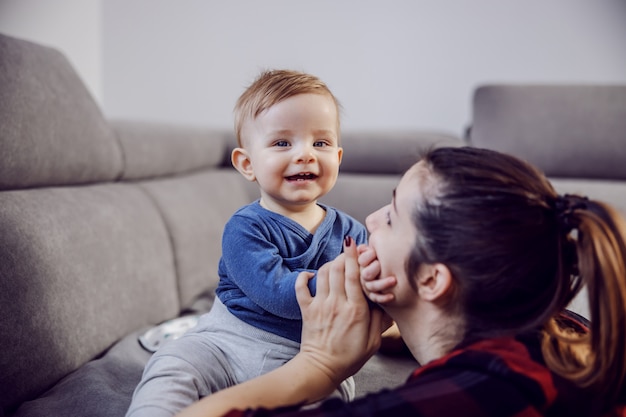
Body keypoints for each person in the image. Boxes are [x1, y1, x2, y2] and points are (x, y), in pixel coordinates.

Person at [176, 146, 626, 417]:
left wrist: (317, 365)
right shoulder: (565, 332)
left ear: (432, 279)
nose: (369, 221)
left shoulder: (464, 399)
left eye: (391, 217)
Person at [126, 70, 368, 417]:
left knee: (329, 398)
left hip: (309, 356)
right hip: (228, 342)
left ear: (338, 158)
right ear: (247, 163)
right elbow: (277, 293)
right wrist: (346, 283)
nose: (305, 154)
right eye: (283, 143)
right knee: (175, 362)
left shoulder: (352, 232)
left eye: (321, 143)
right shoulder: (244, 228)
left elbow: (371, 293)